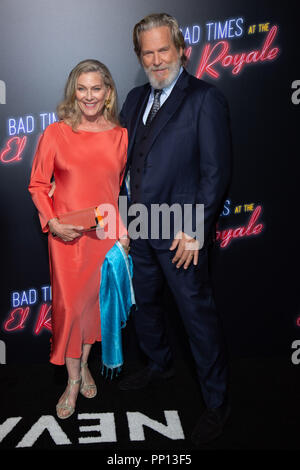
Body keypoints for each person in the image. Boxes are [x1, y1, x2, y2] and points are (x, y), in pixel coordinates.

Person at [118, 13, 232, 445]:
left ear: (182, 49)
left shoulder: (205, 99)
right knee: (145, 305)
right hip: (140, 226)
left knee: (196, 317)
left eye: (163, 49)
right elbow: (124, 165)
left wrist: (196, 226)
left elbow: (216, 172)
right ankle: (159, 363)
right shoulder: (132, 99)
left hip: (182, 232)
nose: (156, 59)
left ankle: (217, 402)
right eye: (147, 52)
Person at [28, 59, 129, 419]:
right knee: (71, 310)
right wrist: (52, 223)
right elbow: (38, 185)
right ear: (74, 92)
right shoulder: (55, 133)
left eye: (96, 88)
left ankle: (84, 365)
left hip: (103, 236)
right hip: (66, 238)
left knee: (94, 309)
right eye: (82, 88)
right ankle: (72, 382)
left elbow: (116, 191)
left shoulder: (120, 136)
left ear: (107, 93)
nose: (89, 96)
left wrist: (121, 232)